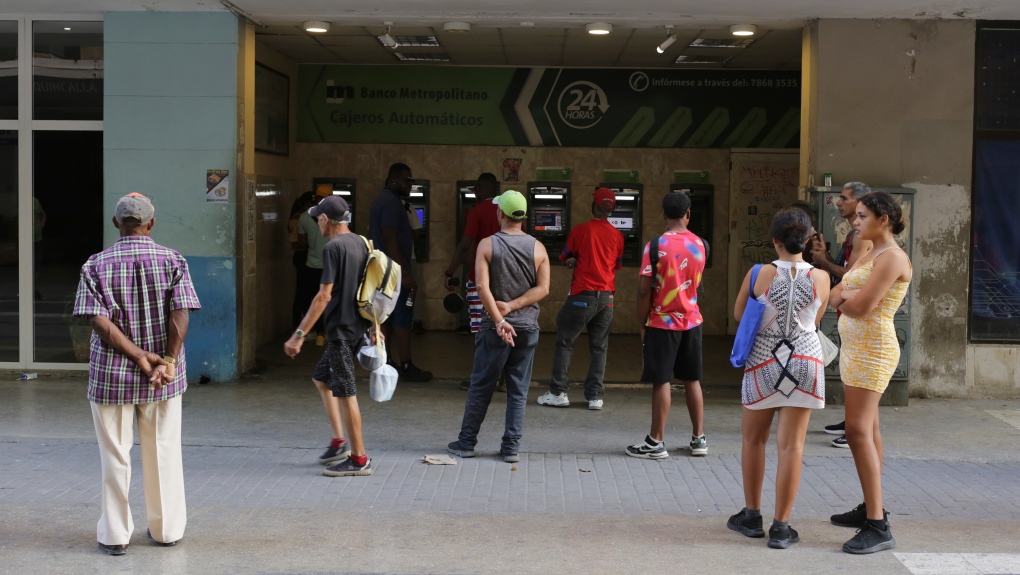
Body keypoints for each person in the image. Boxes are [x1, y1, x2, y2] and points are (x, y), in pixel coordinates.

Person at [72, 193, 201, 555]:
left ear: (116, 224)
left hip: (111, 376)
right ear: (151, 223)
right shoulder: (173, 259)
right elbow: (181, 311)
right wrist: (167, 360)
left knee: (114, 455)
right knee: (163, 451)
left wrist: (138, 356)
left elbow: (98, 321)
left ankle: (115, 535)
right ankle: (166, 530)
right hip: (163, 376)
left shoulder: (95, 264)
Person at [727, 208, 829, 550]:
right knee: (792, 446)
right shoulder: (823, 278)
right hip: (806, 363)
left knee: (753, 441)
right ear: (807, 240)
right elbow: (816, 319)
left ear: (775, 240)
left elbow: (741, 315)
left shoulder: (758, 272)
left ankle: (752, 517)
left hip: (762, 364)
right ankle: (782, 527)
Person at [828, 191, 911, 554]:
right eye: (856, 215)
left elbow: (860, 305)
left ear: (884, 220)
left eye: (862, 216)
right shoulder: (868, 252)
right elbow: (834, 295)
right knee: (869, 430)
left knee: (857, 431)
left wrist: (845, 296)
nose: (855, 221)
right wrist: (844, 296)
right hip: (856, 350)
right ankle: (870, 506)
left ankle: (878, 525)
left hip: (874, 350)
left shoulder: (892, 257)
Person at [446, 190, 550, 463]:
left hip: (494, 328)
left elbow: (481, 287)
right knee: (518, 390)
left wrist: (500, 318)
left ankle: (466, 443)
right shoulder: (538, 248)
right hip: (527, 327)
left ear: (500, 214)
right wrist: (514, 307)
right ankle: (511, 448)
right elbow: (543, 289)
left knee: (481, 386)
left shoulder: (487, 244)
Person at [284, 196, 378, 477]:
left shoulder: (333, 247)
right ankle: (339, 442)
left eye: (318, 218)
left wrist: (299, 334)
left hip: (341, 331)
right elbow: (370, 287)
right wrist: (374, 327)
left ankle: (359, 459)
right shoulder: (361, 242)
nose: (316, 222)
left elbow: (323, 295)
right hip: (356, 327)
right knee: (321, 378)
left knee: (347, 394)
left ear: (325, 219)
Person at [627, 192, 708, 460]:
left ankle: (656, 441)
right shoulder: (701, 244)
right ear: (688, 214)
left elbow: (642, 292)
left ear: (664, 215)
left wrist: (642, 324)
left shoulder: (655, 246)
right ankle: (699, 439)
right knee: (692, 379)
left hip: (662, 323)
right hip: (692, 321)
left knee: (661, 380)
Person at [537, 187, 624, 410]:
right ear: (612, 209)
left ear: (592, 206)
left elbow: (564, 256)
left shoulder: (580, 230)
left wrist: (574, 261)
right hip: (606, 299)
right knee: (599, 347)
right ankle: (595, 397)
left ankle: (558, 392)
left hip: (581, 295)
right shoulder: (618, 236)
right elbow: (617, 265)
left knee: (565, 342)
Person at [810, 182, 874, 448]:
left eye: (844, 199)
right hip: (848, 312)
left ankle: (857, 429)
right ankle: (852, 423)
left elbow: (853, 276)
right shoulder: (854, 233)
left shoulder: (862, 236)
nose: (838, 203)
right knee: (851, 370)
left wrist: (824, 263)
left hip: (858, 313)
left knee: (859, 373)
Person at [369, 163, 432, 382]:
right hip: (393, 271)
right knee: (403, 317)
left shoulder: (385, 200)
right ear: (394, 180)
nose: (411, 185)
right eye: (407, 180)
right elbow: (390, 239)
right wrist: (405, 273)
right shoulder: (391, 203)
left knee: (387, 316)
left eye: (412, 181)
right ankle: (406, 365)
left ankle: (384, 361)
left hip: (383, 268)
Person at [443, 173, 504, 391]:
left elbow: (465, 245)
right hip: (506, 282)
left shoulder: (477, 211)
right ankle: (503, 380)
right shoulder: (506, 211)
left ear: (479, 188)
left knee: (481, 332)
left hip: (480, 280)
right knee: (504, 328)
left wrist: (450, 271)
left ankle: (480, 380)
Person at [296, 185, 334, 346]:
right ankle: (334, 334)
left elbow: (303, 243)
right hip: (332, 266)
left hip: (312, 266)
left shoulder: (304, 217)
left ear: (316, 198)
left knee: (314, 300)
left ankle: (319, 334)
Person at [289, 191, 315, 326]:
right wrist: (309, 241)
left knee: (305, 292)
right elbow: (294, 242)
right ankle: (297, 326)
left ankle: (303, 326)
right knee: (302, 293)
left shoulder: (302, 218)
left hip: (304, 256)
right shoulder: (297, 219)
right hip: (301, 256)